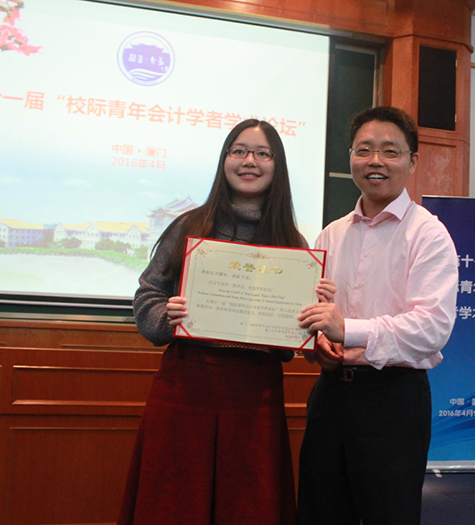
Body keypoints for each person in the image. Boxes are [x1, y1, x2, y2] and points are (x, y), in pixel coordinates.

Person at [118, 119, 335, 525]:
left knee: (249, 507)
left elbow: (289, 343)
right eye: (239, 151)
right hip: (185, 389)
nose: (249, 161)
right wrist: (166, 316)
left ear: (277, 165)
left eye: (262, 153)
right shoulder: (188, 226)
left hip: (255, 396)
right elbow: (148, 294)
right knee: (172, 505)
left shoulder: (292, 245)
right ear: (224, 160)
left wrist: (309, 317)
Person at [296, 106, 459, 525]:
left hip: (393, 400)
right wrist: (320, 345)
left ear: (412, 161)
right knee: (320, 512)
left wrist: (347, 330)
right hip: (330, 395)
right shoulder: (331, 234)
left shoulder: (429, 234)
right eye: (364, 150)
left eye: (390, 151)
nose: (375, 161)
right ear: (350, 156)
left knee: (389, 515)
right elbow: (315, 314)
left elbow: (432, 328)